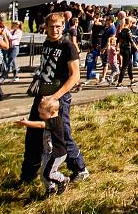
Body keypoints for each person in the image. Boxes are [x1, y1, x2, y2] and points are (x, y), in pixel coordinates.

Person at [17, 12, 89, 186]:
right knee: (33, 135)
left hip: (58, 99)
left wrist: (54, 97)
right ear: (46, 27)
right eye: (51, 26)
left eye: (58, 26)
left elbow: (75, 76)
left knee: (61, 134)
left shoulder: (68, 46)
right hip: (42, 95)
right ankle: (28, 175)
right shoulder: (47, 43)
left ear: (63, 26)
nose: (55, 30)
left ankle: (80, 169)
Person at [15, 97, 69, 196]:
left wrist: (27, 123)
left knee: (48, 173)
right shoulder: (50, 119)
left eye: (42, 114)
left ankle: (63, 180)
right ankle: (50, 189)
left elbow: (40, 125)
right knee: (44, 174)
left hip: (57, 154)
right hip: (48, 153)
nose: (40, 116)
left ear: (53, 112)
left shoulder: (55, 122)